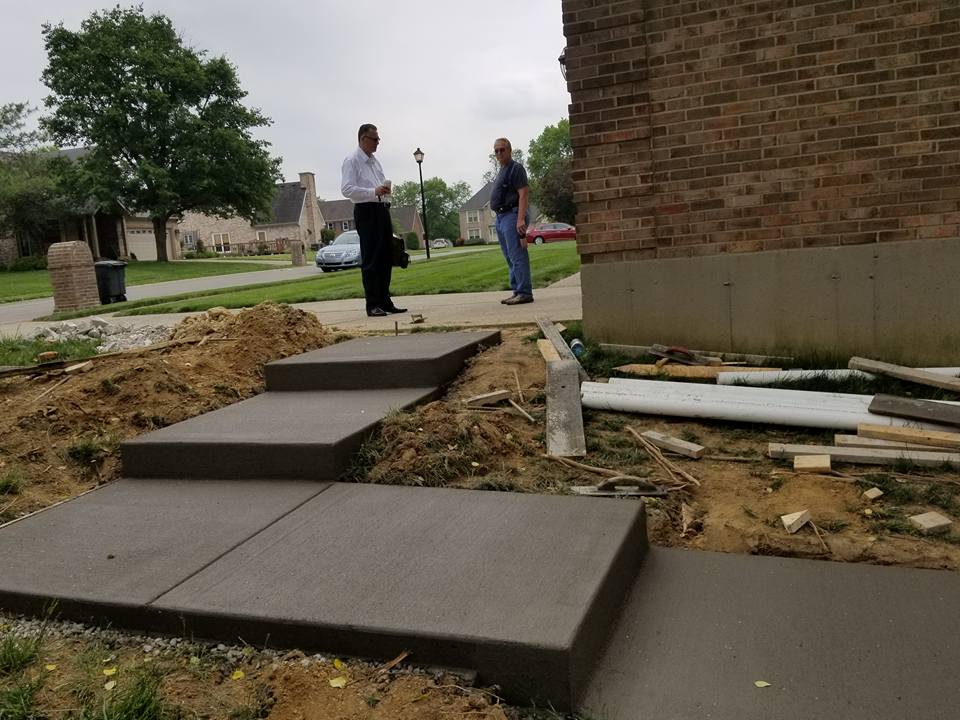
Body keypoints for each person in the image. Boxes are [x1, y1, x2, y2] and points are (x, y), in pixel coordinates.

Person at [341, 123, 407, 317]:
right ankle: (372, 304)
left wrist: (384, 192)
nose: (378, 142)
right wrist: (373, 192)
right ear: (363, 139)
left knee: (386, 257)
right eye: (374, 139)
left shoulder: (375, 161)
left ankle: (385, 301)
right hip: (366, 211)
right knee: (371, 258)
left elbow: (378, 186)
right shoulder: (352, 160)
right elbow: (347, 189)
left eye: (378, 139)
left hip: (381, 209)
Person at [490, 137, 532, 305]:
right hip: (501, 218)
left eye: (502, 149)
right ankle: (517, 291)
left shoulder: (516, 168)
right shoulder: (502, 170)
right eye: (496, 151)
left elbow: (523, 194)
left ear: (509, 150)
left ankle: (524, 292)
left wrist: (520, 219)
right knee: (509, 257)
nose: (499, 153)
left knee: (517, 255)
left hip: (512, 215)